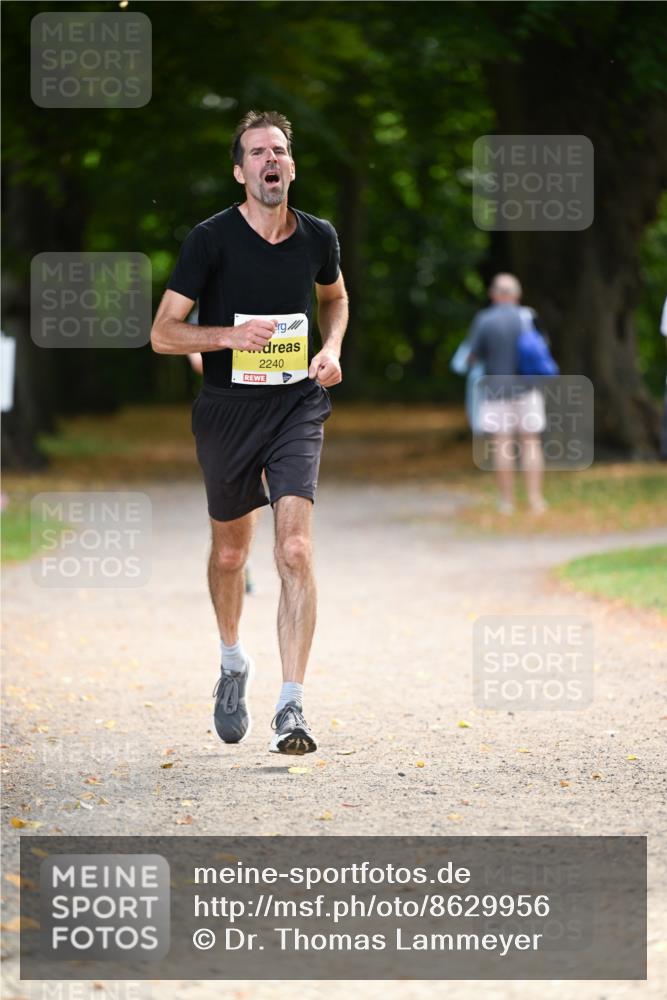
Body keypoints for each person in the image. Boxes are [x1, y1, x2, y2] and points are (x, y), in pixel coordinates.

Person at [150, 110, 348, 754]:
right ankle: (233, 661)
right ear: (240, 172)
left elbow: (334, 298)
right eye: (258, 152)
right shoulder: (209, 240)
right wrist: (227, 336)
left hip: (296, 404)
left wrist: (331, 348)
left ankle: (292, 707)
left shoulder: (317, 236)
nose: (271, 159)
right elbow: (163, 333)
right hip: (227, 410)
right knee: (232, 556)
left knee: (294, 549)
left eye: (280, 150)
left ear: (291, 166)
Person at [467, 273, 548, 515]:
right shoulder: (528, 316)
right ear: (517, 294)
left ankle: (507, 502)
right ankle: (535, 500)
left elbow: (472, 357)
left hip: (495, 390)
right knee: (531, 443)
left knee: (502, 445)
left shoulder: (484, 320)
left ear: (493, 294)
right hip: (528, 388)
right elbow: (543, 348)